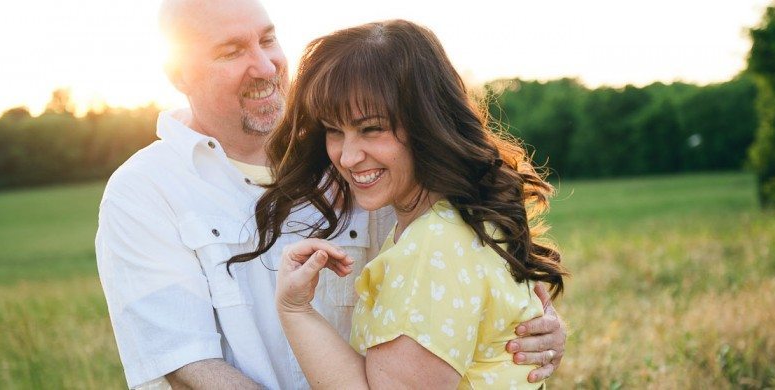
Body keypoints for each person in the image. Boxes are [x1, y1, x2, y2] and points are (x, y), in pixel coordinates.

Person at [94, 0, 567, 388]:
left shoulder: (354, 162)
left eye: (267, 39)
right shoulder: (143, 192)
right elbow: (186, 365)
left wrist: (527, 328)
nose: (263, 65)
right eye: (230, 51)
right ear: (178, 74)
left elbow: (452, 267)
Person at [235, 19, 568, 389]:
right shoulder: (456, 221)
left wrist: (294, 310)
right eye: (334, 130)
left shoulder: (432, 245)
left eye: (371, 128)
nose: (346, 157)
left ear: (426, 121)